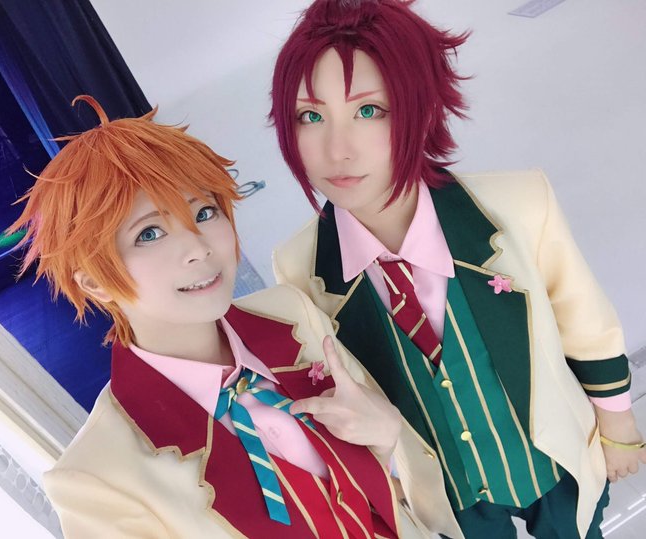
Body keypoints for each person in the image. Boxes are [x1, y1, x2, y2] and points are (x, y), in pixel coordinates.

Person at [269, 1, 646, 538]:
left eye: (369, 110)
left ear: (421, 107)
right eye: (310, 116)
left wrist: (618, 423)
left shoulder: (518, 203)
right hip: (447, 496)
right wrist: (390, 481)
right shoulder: (299, 266)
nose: (337, 150)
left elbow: (584, 320)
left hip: (555, 460)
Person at [9, 95, 429, 538]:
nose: (198, 247)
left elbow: (406, 497)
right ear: (95, 282)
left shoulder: (294, 314)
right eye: (149, 233)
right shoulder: (96, 479)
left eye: (205, 212)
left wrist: (386, 439)